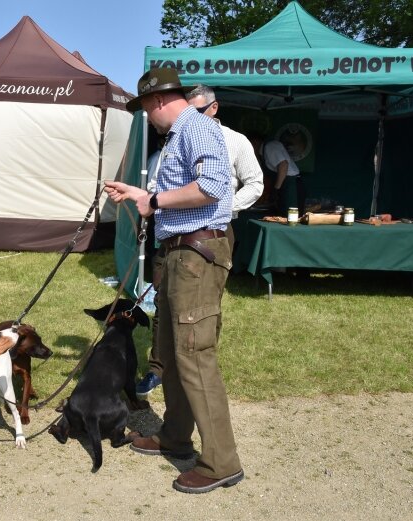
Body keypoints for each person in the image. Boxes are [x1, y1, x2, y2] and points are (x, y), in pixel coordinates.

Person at [104, 68, 243, 494]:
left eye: (145, 107)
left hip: (197, 255)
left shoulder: (195, 127)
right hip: (181, 253)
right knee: (174, 352)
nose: (147, 115)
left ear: (157, 101)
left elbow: (216, 185)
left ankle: (221, 462)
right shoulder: (183, 133)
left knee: (194, 354)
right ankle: (177, 437)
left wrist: (154, 199)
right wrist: (142, 197)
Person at [136, 84, 263, 396]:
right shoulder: (175, 136)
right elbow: (162, 182)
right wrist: (154, 199)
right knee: (163, 301)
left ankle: (197, 369)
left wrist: (221, 208)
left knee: (201, 310)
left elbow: (254, 184)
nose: (187, 117)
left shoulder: (234, 140)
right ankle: (159, 368)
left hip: (210, 235)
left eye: (197, 111)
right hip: (172, 235)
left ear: (214, 108)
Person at [247, 132, 306, 216]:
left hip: (291, 186)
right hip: (285, 185)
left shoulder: (270, 146)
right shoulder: (262, 153)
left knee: (290, 216)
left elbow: (283, 165)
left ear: (255, 142)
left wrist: (276, 189)